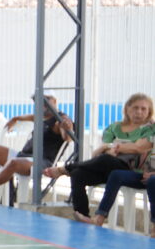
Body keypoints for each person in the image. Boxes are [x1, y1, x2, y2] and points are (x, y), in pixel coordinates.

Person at [44, 92, 153, 223]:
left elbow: (137, 148)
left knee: (106, 159)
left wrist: (115, 148)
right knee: (78, 174)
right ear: (127, 109)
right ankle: (83, 216)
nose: (139, 112)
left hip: (128, 169)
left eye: (143, 109)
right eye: (135, 108)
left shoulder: (149, 128)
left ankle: (65, 169)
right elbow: (97, 154)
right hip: (107, 166)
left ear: (149, 111)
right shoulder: (115, 127)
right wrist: (110, 148)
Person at [0, 95, 72, 204]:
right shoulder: (42, 117)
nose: (42, 104)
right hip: (23, 156)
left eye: (46, 100)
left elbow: (67, 136)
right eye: (39, 101)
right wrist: (14, 119)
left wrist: (66, 130)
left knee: (14, 163)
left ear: (55, 101)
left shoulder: (60, 119)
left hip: (42, 162)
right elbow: (25, 117)